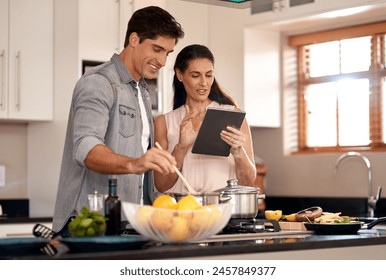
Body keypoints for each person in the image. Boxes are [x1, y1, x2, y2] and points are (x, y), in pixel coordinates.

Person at [52, 6, 184, 235]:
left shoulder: (141, 91)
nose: (163, 60)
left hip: (128, 224)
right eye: (157, 49)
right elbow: (86, 148)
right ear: (134, 39)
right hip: (89, 224)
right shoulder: (99, 83)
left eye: (168, 53)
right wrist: (136, 163)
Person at [154, 44, 256, 193]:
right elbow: (161, 185)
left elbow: (248, 183)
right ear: (180, 75)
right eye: (195, 75)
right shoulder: (164, 122)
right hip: (182, 210)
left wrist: (238, 152)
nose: (204, 83)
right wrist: (181, 148)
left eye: (209, 75)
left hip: (221, 211)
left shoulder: (233, 116)